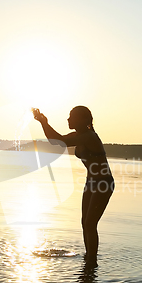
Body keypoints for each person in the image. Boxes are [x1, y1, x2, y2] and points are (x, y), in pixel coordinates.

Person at [32, 106, 114, 266]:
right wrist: (42, 122)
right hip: (91, 182)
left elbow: (60, 141)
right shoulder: (79, 135)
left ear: (83, 120)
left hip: (104, 182)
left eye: (71, 116)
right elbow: (55, 141)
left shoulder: (89, 136)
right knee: (85, 222)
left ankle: (92, 261)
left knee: (90, 223)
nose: (68, 119)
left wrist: (44, 121)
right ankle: (88, 260)